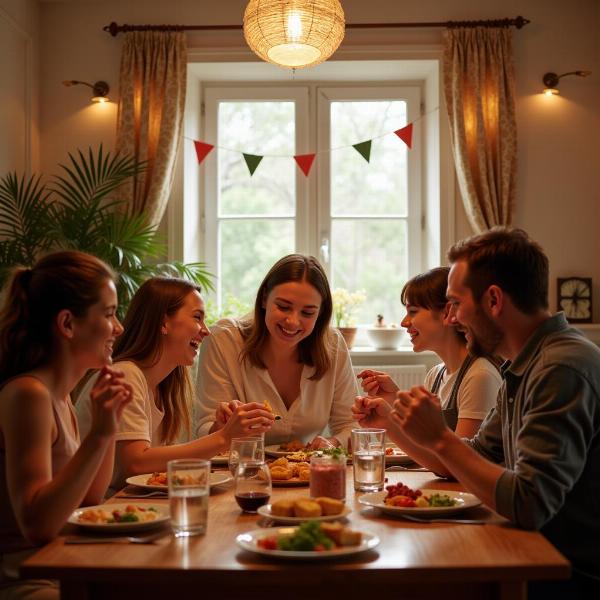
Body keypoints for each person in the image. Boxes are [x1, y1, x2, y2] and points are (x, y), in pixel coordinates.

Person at [352, 227, 600, 598]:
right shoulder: (522, 364)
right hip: (531, 551)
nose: (451, 318)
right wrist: (407, 427)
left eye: (454, 303)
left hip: (566, 572)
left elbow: (529, 504)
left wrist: (439, 437)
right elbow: (474, 458)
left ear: (494, 300)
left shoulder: (560, 367)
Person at [0, 251, 133, 599]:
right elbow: (37, 526)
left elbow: (89, 499)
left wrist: (111, 421)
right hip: (28, 579)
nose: (118, 327)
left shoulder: (61, 398)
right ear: (68, 324)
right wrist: (100, 434)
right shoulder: (27, 394)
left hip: (64, 565)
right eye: (108, 314)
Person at [75, 277, 274, 491]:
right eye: (197, 317)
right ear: (163, 323)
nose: (205, 330)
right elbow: (136, 463)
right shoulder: (124, 375)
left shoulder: (162, 386)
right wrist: (224, 437)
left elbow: (158, 460)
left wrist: (220, 430)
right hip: (102, 512)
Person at [195, 254, 358, 450]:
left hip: (306, 473)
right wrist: (222, 428)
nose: (292, 321)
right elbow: (204, 431)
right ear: (264, 298)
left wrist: (331, 444)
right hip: (240, 470)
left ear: (320, 313)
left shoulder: (333, 344)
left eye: (307, 313)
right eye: (283, 307)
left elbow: (350, 425)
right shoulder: (223, 340)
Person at [357, 267, 501, 437]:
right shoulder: (435, 375)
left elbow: (460, 459)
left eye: (412, 312)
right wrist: (395, 400)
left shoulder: (480, 376)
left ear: (447, 312)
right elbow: (426, 441)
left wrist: (390, 421)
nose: (404, 323)